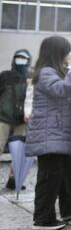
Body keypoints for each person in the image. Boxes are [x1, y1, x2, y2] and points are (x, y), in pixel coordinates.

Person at [25, 36, 71, 230]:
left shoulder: (52, 72)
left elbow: (60, 98)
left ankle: (70, 211)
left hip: (56, 135)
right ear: (58, 53)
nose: (70, 55)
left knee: (68, 175)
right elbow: (61, 90)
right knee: (49, 178)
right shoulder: (46, 72)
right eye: (67, 51)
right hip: (49, 136)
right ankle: (42, 218)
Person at [1, 49, 31, 189]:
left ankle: (14, 179)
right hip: (3, 117)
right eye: (18, 57)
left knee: (19, 150)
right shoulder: (5, 76)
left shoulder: (30, 77)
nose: (21, 60)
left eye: (24, 58)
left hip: (22, 119)